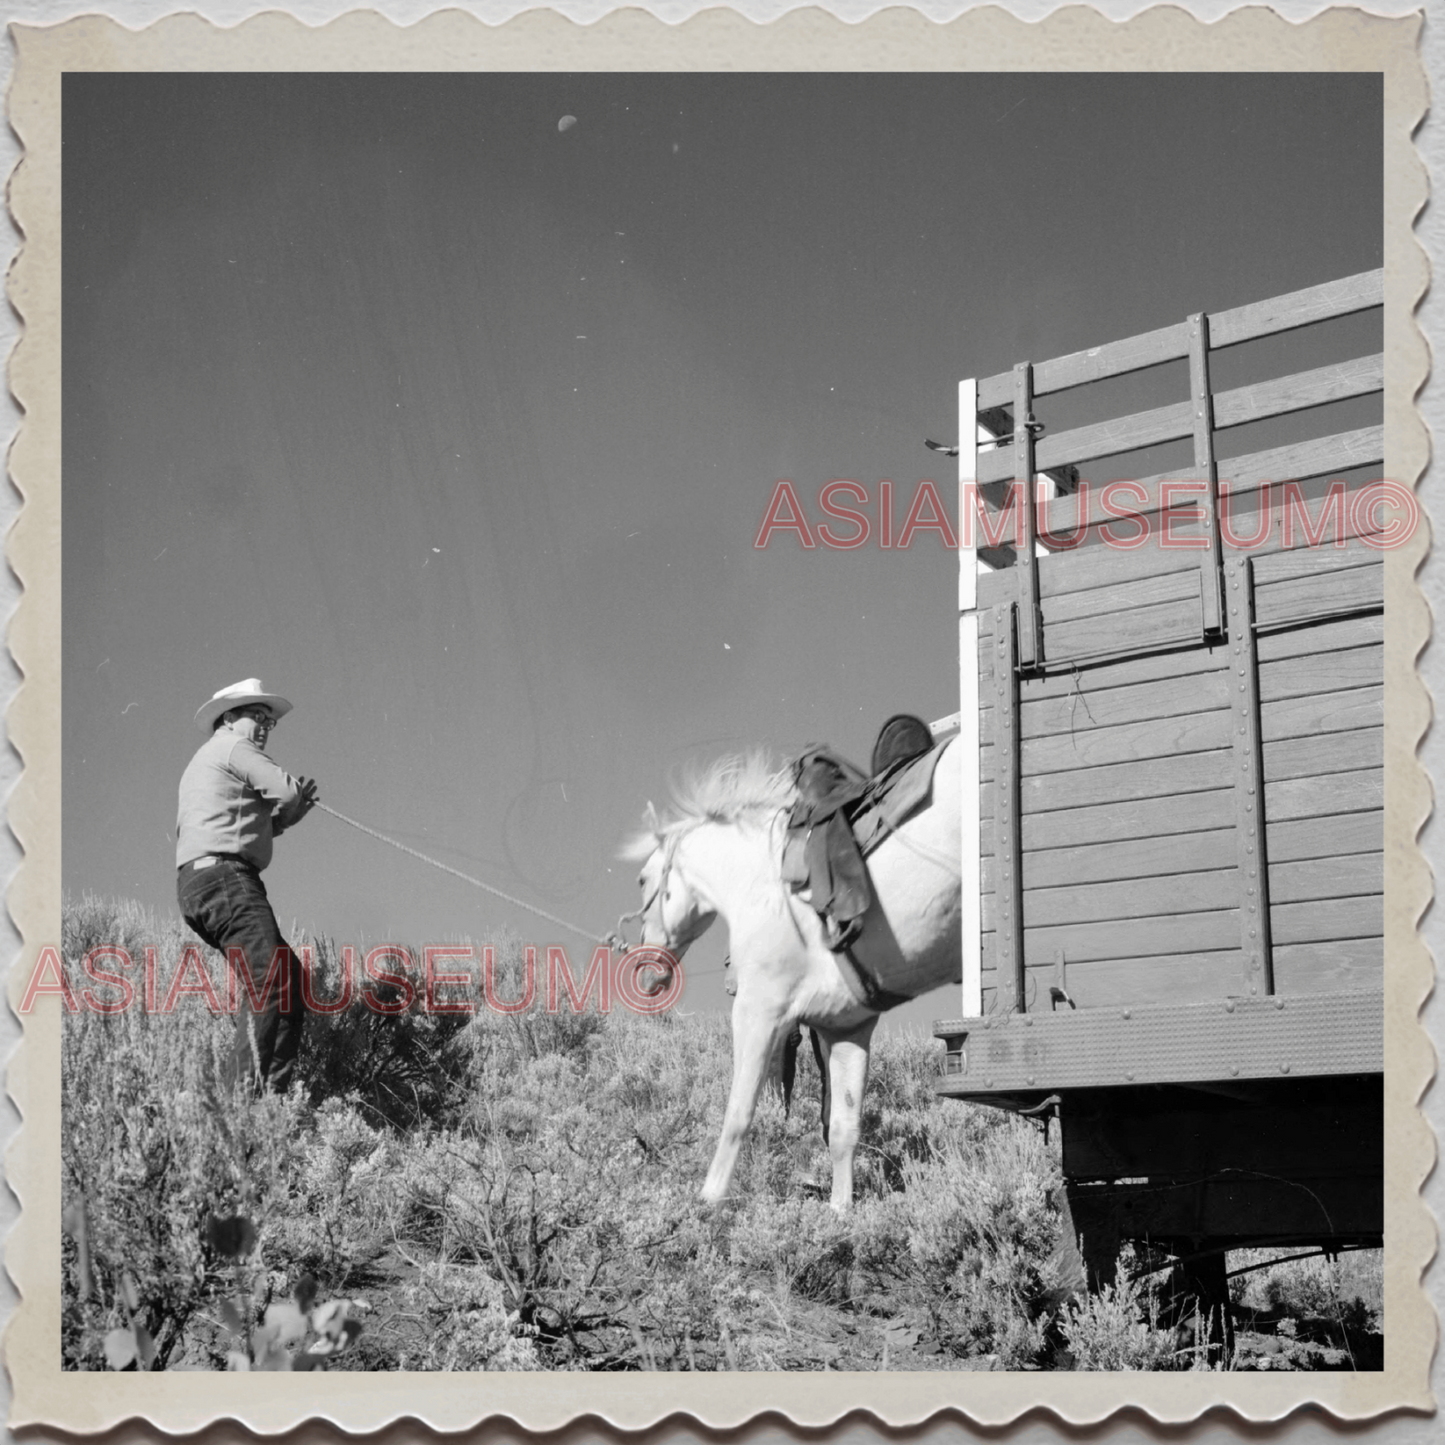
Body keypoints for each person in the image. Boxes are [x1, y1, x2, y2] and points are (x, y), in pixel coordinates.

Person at [176, 678, 319, 1095]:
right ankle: (242, 1109)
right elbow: (287, 791)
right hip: (226, 879)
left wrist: (282, 820)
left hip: (200, 883)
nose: (264, 727)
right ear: (230, 717)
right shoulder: (236, 749)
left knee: (284, 975)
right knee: (271, 976)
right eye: (257, 717)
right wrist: (292, 808)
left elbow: (240, 826)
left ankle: (267, 1106)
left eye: (269, 723)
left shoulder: (208, 758)